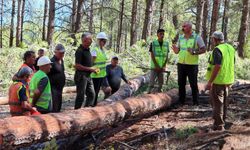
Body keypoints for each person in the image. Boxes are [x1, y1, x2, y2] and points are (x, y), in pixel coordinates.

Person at [205, 31, 235, 131]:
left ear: (216, 39)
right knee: (224, 103)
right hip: (228, 80)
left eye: (213, 38)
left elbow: (217, 66)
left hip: (218, 81)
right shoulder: (230, 48)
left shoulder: (218, 49)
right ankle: (223, 122)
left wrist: (210, 82)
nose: (212, 40)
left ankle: (218, 126)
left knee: (217, 104)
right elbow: (232, 63)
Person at [172, 21, 206, 105]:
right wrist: (175, 50)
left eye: (184, 26)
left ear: (190, 28)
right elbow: (178, 50)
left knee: (193, 84)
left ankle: (195, 102)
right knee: (181, 83)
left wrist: (194, 52)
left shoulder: (197, 37)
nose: (182, 28)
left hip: (192, 65)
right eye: (182, 26)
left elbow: (204, 49)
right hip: (181, 64)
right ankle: (181, 101)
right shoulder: (181, 37)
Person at [74, 32, 97, 109]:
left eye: (91, 39)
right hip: (81, 76)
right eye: (90, 39)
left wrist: (93, 69)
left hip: (88, 76)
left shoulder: (88, 50)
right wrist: (90, 69)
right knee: (81, 96)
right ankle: (75, 113)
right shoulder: (79, 51)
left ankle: (86, 110)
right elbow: (77, 66)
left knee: (91, 94)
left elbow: (88, 63)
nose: (91, 41)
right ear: (84, 40)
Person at [148, 29, 169, 94]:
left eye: (163, 34)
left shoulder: (166, 44)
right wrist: (157, 66)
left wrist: (164, 66)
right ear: (157, 35)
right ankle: (148, 94)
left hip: (162, 67)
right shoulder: (153, 43)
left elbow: (166, 56)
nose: (162, 35)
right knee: (151, 83)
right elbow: (152, 55)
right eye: (160, 34)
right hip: (154, 67)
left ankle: (159, 95)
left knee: (161, 84)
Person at [91, 32, 108, 106]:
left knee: (99, 91)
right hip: (96, 75)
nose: (104, 43)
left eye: (105, 41)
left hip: (102, 74)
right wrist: (94, 70)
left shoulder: (102, 50)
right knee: (95, 91)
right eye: (102, 41)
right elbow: (91, 63)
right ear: (98, 41)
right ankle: (92, 105)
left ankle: (95, 104)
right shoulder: (95, 50)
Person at [48, 44, 66, 112]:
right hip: (53, 87)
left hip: (60, 87)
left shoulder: (62, 61)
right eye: (60, 53)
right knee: (54, 105)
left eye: (63, 53)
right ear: (55, 52)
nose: (62, 54)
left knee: (59, 104)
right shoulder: (51, 61)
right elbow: (46, 73)